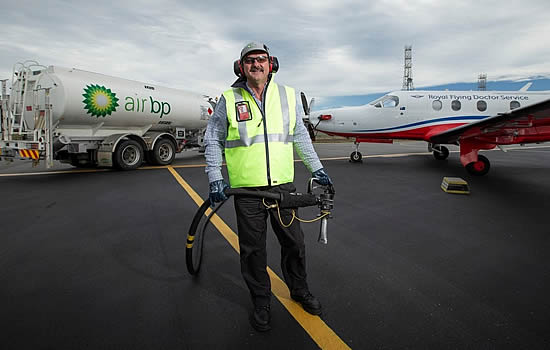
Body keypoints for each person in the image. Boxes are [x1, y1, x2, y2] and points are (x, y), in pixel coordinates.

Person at [204, 42, 333, 332]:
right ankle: (261, 301)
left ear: (271, 64)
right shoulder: (229, 97)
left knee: (294, 244)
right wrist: (214, 176)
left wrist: (318, 169)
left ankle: (299, 291)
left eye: (261, 59)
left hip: (282, 189)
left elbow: (300, 137)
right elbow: (212, 138)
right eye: (249, 60)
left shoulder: (287, 96)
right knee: (253, 251)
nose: (256, 65)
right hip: (247, 192)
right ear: (241, 67)